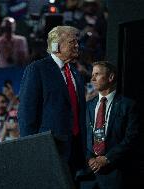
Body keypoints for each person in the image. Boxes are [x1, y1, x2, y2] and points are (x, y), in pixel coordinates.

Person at [18, 26, 87, 185]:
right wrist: (31, 148)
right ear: (56, 46)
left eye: (77, 41)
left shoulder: (75, 72)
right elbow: (26, 113)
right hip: (50, 149)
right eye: (72, 42)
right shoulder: (37, 69)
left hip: (75, 149)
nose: (77, 45)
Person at [84, 61, 140, 189]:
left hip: (116, 174)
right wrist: (90, 159)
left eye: (97, 74)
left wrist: (107, 158)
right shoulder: (89, 106)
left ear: (110, 77)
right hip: (90, 175)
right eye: (92, 74)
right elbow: (86, 137)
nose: (92, 79)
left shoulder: (128, 105)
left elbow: (132, 138)